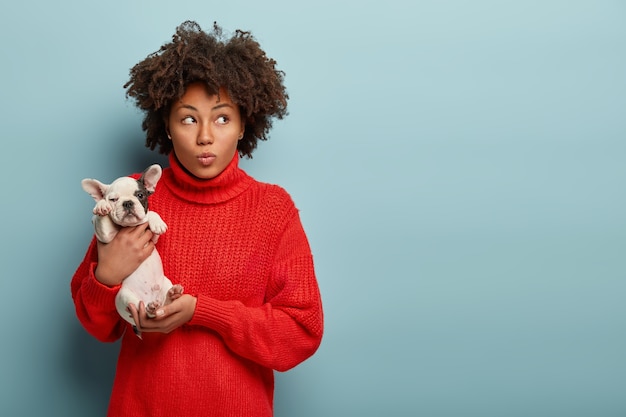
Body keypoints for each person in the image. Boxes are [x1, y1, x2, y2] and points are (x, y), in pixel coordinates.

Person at [71, 20, 323, 417]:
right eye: (188, 118)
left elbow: (301, 332)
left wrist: (203, 312)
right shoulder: (132, 198)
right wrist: (106, 275)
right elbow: (97, 326)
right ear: (166, 127)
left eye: (222, 118)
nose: (205, 135)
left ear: (244, 124)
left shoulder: (274, 209)